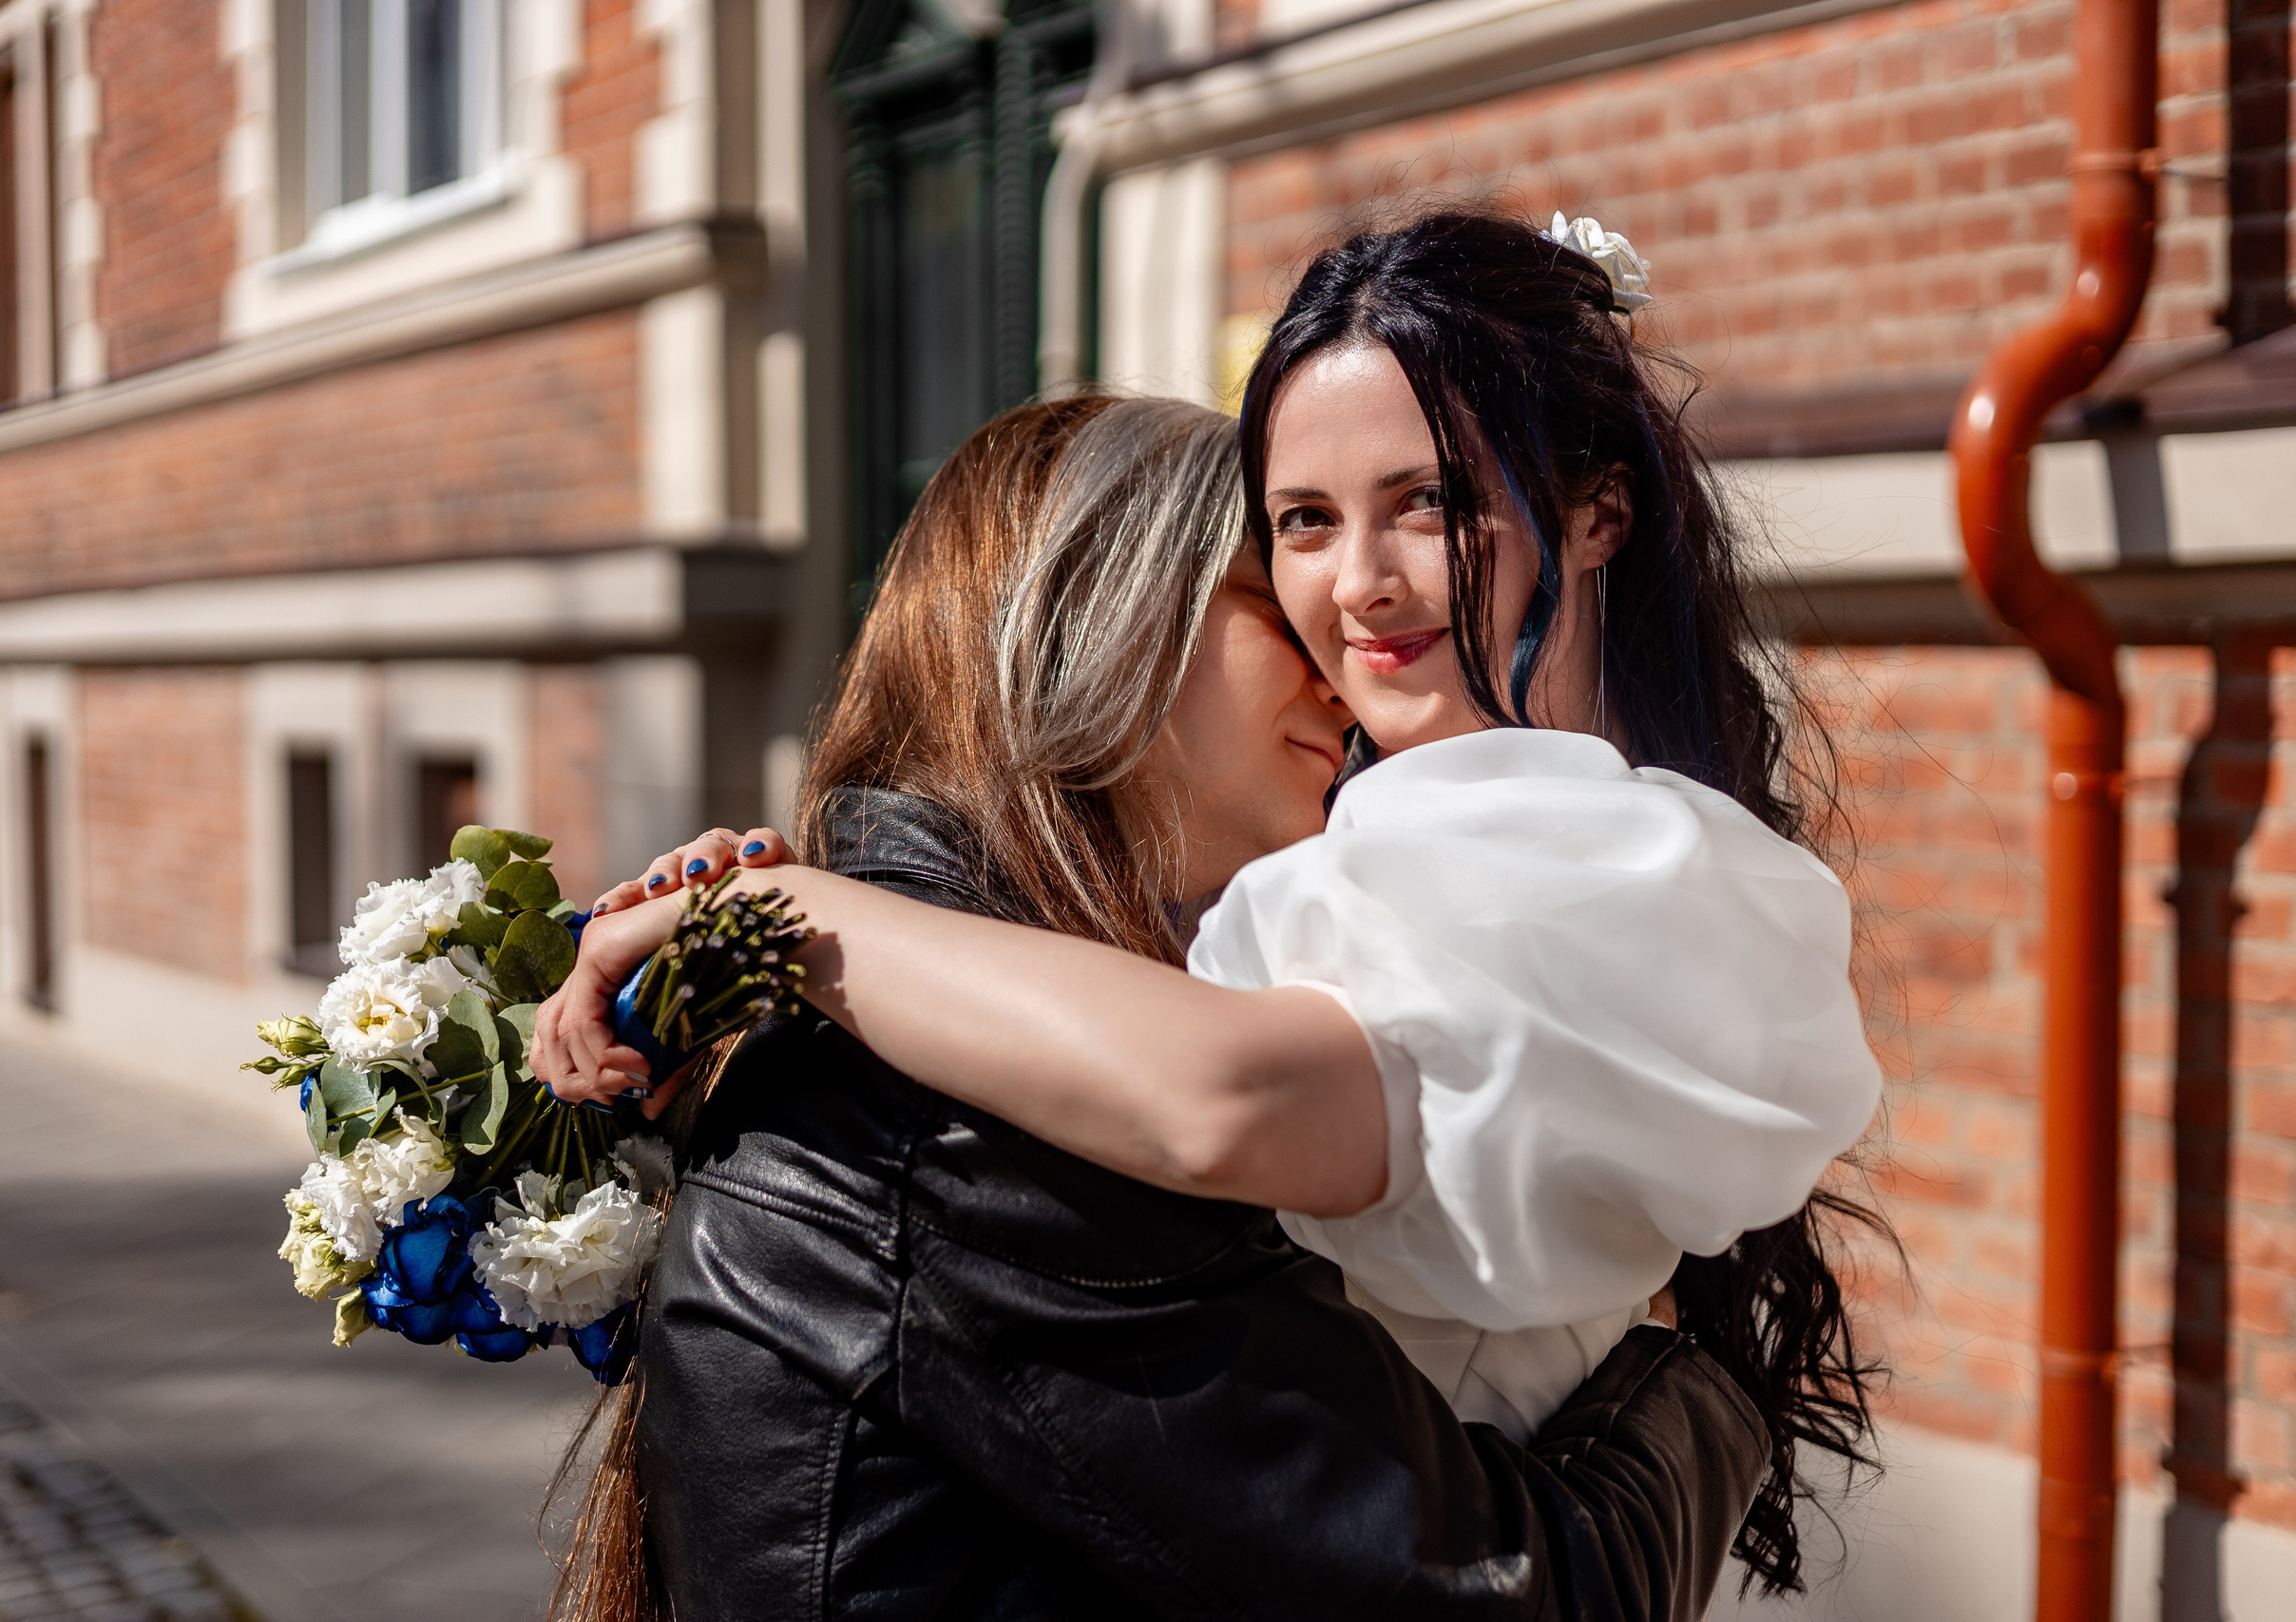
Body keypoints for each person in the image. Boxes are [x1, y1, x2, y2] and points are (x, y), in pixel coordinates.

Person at [545, 209, 1888, 1605]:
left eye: (1428, 502)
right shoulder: (956, 1095)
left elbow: (1225, 1098)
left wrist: (783, 914)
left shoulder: (1602, 858)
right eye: (1293, 537)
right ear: (1099, 632)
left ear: (1598, 514)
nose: (1348, 610)